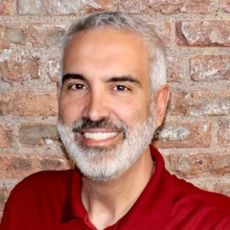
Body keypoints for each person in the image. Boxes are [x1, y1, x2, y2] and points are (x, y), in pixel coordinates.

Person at [1, 11, 230, 230]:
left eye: (120, 88)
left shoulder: (217, 223)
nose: (94, 112)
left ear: (159, 106)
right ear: (59, 96)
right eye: (78, 86)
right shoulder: (29, 203)